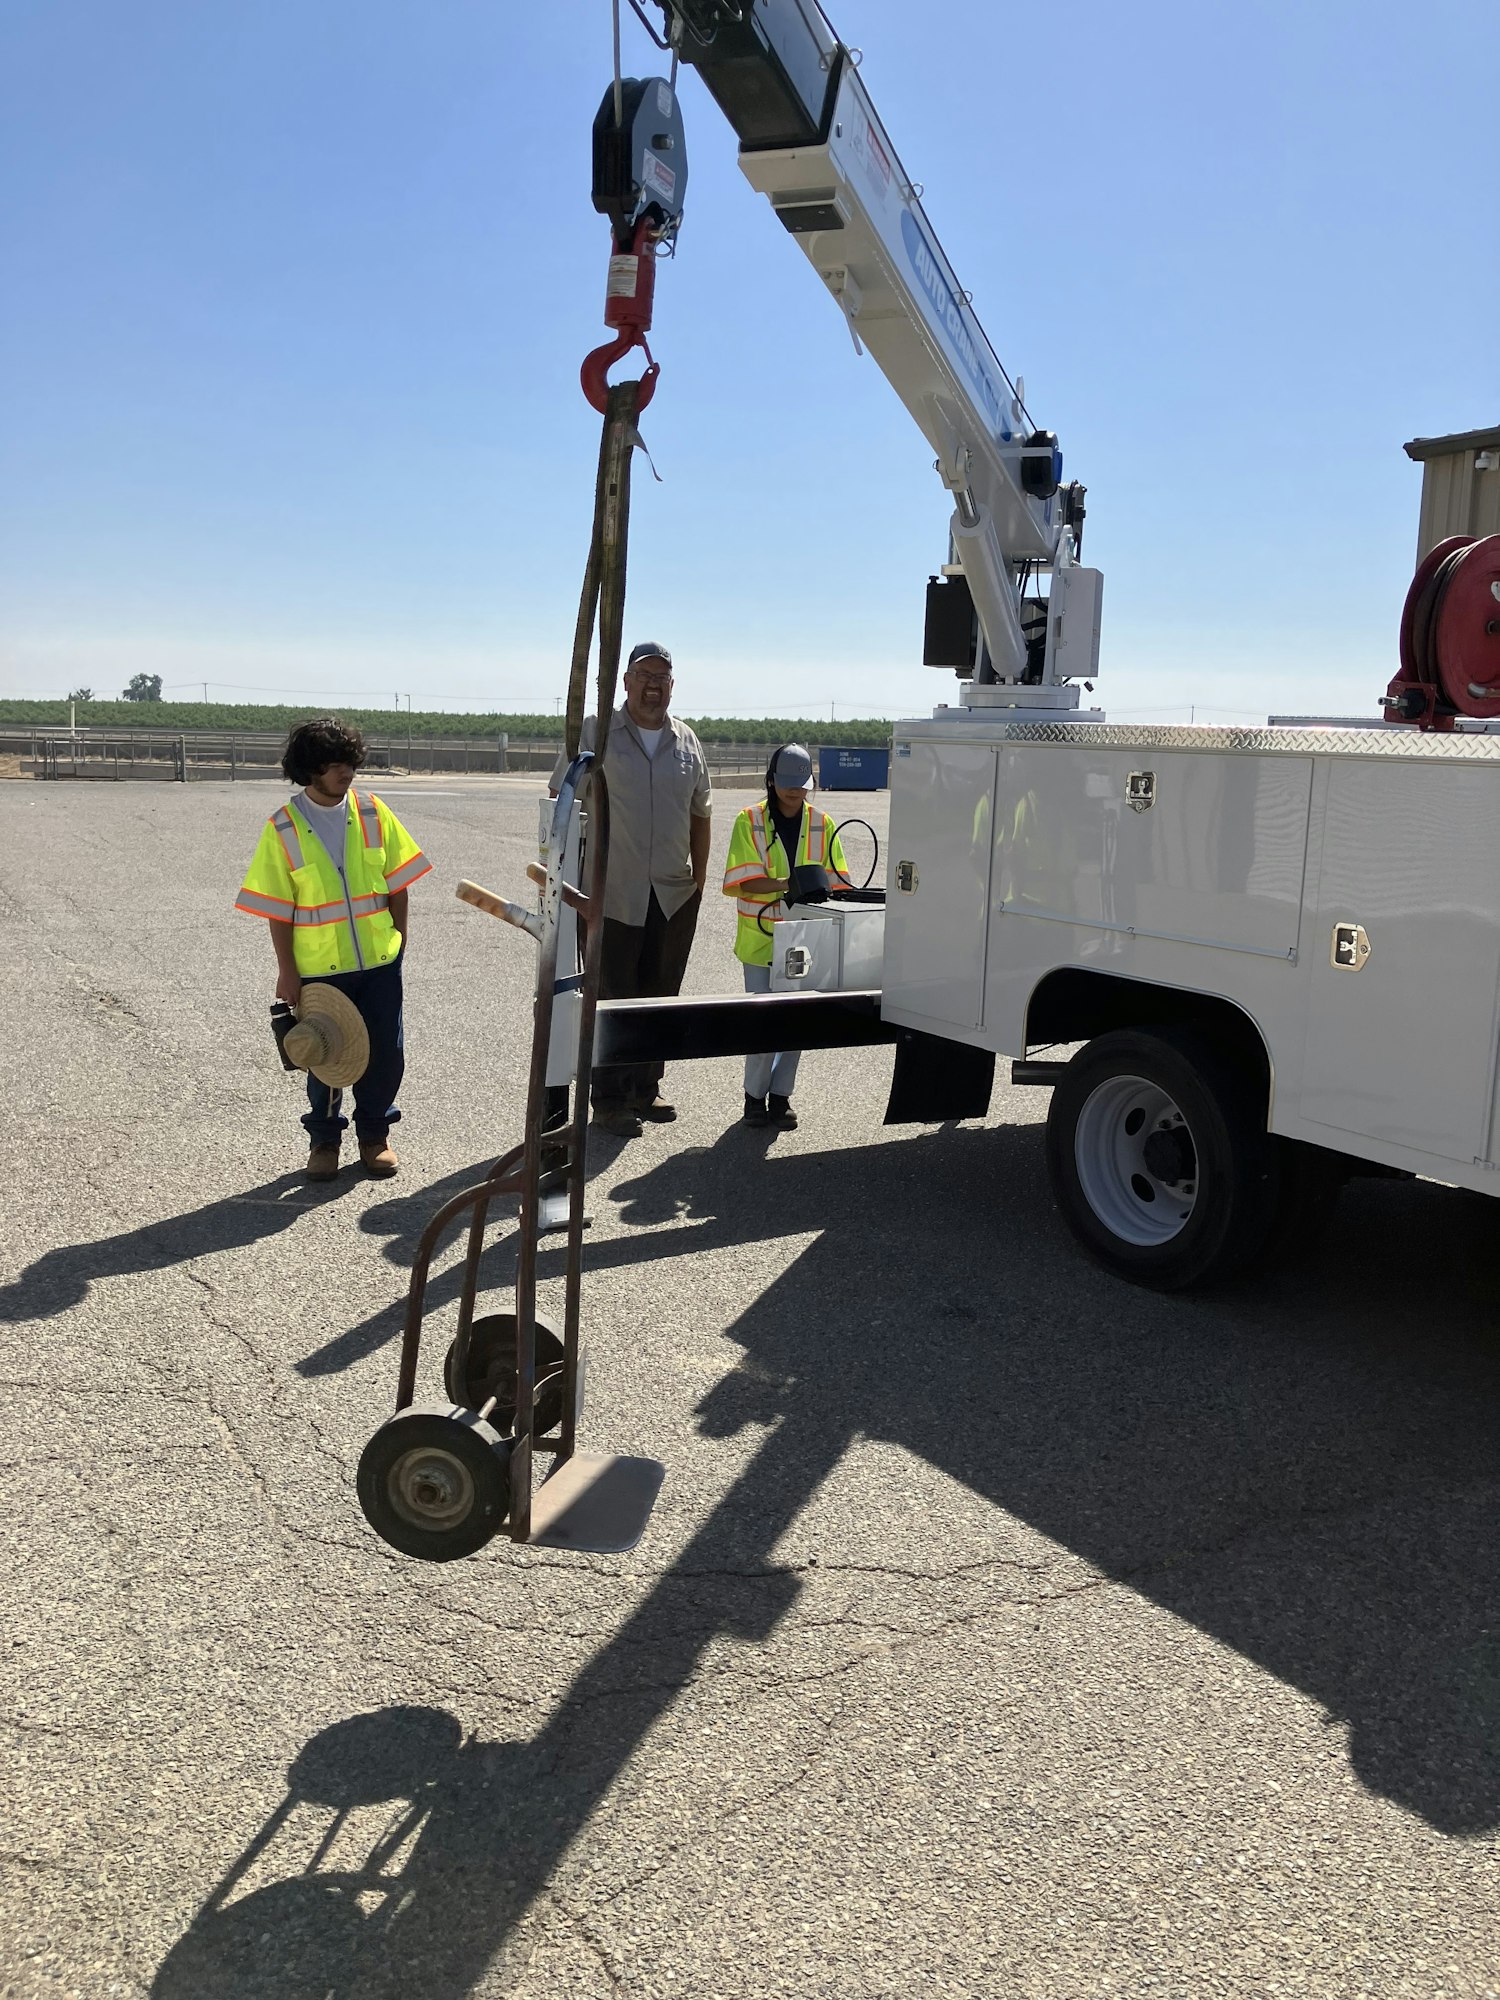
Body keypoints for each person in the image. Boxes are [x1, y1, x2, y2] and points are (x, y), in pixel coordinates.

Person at [236, 717, 431, 1180]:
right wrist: (287, 971)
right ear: (310, 768)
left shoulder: (371, 811)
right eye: (334, 763)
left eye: (349, 761)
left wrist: (397, 941)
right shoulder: (282, 827)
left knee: (385, 1052)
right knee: (323, 1054)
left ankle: (374, 1136)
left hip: (380, 962)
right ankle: (324, 1142)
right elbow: (278, 910)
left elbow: (398, 885)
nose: (347, 771)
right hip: (321, 968)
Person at [550, 642, 712, 1138]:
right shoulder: (597, 732)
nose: (653, 685)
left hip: (672, 893)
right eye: (644, 675)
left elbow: (701, 812)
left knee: (660, 993)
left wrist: (699, 880)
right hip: (611, 891)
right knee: (611, 994)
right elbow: (561, 793)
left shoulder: (686, 741)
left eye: (662, 677)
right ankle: (610, 1099)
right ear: (625, 682)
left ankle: (646, 1086)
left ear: (672, 685)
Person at [722, 742, 849, 1130]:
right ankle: (753, 1099)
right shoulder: (750, 820)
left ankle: (780, 1098)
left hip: (805, 942)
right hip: (761, 941)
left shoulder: (821, 824)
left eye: (803, 785)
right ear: (772, 781)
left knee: (794, 1025)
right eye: (789, 784)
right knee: (762, 1024)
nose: (796, 792)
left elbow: (840, 882)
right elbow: (741, 881)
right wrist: (787, 883)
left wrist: (828, 893)